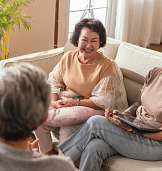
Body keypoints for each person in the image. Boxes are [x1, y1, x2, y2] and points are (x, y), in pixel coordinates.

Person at [58, 33, 162, 171]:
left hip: (159, 145)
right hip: (137, 128)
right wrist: (125, 117)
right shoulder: (155, 73)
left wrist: (130, 128)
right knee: (94, 147)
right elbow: (140, 103)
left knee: (95, 123)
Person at [35, 18, 127, 155]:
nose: (88, 45)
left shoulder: (107, 65)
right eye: (84, 40)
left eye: (94, 41)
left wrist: (74, 103)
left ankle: (63, 165)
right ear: (77, 39)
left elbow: (103, 101)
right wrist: (54, 102)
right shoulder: (68, 57)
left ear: (100, 42)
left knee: (67, 129)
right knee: (39, 122)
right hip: (66, 100)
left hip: (89, 108)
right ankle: (48, 157)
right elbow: (54, 81)